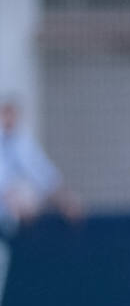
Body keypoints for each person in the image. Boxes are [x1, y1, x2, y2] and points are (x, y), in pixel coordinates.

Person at [0, 97, 83, 235]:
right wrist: (10, 197)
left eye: (12, 115)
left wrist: (65, 198)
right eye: (5, 115)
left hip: (19, 211)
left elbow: (41, 172)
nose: (9, 120)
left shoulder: (23, 142)